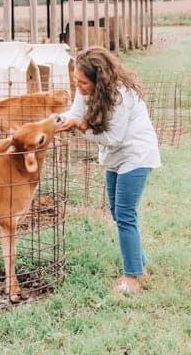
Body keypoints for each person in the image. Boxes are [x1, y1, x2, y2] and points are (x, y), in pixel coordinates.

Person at [57, 48, 161, 294]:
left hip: (135, 154)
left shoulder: (121, 95)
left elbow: (113, 138)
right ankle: (139, 262)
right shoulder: (85, 88)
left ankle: (132, 277)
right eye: (76, 82)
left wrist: (83, 127)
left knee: (125, 214)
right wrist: (53, 122)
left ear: (98, 80)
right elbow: (73, 113)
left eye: (82, 83)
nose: (78, 87)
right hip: (116, 156)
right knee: (116, 211)